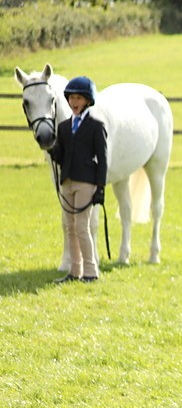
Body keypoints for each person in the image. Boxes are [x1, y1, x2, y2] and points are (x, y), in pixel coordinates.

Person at [49, 76, 107, 283]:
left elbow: (103, 159)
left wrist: (100, 187)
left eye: (79, 98)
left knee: (82, 226)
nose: (74, 102)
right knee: (70, 227)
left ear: (87, 101)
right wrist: (51, 147)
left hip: (86, 182)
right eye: (71, 98)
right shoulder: (64, 127)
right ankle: (75, 271)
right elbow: (61, 155)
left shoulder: (96, 126)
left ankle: (91, 271)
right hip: (67, 182)